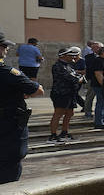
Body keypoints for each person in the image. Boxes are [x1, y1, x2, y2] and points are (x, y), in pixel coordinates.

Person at [0, 33, 43, 182]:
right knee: (9, 167)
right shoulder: (8, 72)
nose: (6, 50)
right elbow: (38, 90)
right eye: (4, 47)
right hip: (8, 125)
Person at [45, 46, 84, 143]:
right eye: (70, 55)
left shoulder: (68, 66)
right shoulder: (58, 66)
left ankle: (64, 132)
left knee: (70, 113)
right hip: (61, 93)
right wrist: (79, 79)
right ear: (63, 56)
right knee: (58, 113)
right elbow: (73, 78)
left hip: (70, 93)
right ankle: (53, 135)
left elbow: (77, 76)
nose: (73, 57)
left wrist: (79, 78)